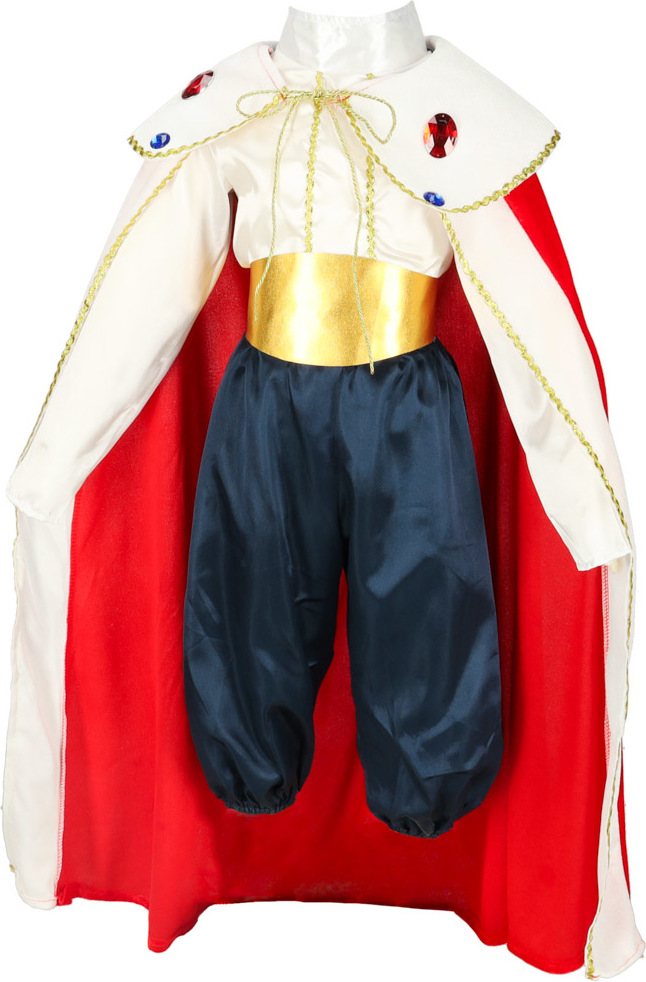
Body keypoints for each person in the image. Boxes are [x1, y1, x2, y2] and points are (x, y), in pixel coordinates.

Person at [3, 3, 643, 977]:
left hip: (408, 406)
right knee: (250, 602)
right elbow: (150, 276)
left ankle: (429, 794)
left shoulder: (454, 110)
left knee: (425, 612)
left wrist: (585, 490)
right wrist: (59, 451)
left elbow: (528, 303)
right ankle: (248, 777)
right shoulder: (239, 103)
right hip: (266, 401)